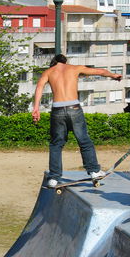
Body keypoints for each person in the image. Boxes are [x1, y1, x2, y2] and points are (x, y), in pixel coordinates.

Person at [32, 54, 122, 187]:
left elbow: (39, 87)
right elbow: (100, 71)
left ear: (54, 63)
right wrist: (113, 75)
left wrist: (36, 108)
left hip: (57, 110)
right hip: (74, 108)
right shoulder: (74, 68)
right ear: (65, 61)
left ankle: (54, 178)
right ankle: (93, 171)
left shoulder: (48, 72)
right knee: (83, 140)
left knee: (56, 144)